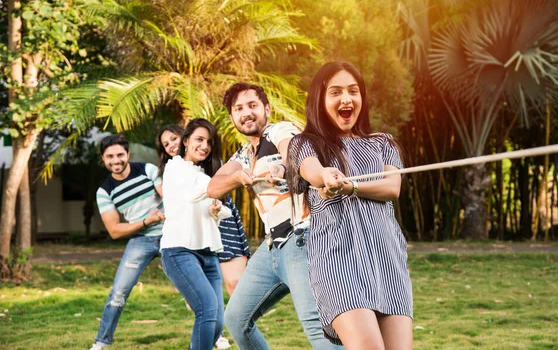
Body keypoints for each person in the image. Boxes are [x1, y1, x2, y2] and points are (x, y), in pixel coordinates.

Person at [286, 61, 413, 350]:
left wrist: (350, 186)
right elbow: (311, 170)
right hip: (337, 260)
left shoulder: (383, 143)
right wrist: (326, 176)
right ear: (320, 99)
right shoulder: (305, 143)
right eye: (335, 92)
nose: (346, 99)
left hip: (387, 258)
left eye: (353, 91)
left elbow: (392, 188)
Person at [206, 82, 343, 350]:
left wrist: (283, 167)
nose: (246, 113)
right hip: (271, 248)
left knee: (318, 328)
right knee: (235, 319)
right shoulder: (245, 155)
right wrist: (236, 176)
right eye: (239, 109)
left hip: (302, 239)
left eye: (252, 105)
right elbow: (213, 187)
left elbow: (295, 152)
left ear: (266, 109)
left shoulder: (279, 130)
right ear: (232, 117)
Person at [156, 124, 251, 349]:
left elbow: (222, 208)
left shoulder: (204, 174)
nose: (205, 146)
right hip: (179, 250)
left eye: (209, 142)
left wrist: (217, 208)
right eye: (199, 140)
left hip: (208, 254)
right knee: (207, 309)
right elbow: (198, 192)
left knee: (217, 322)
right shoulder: (175, 167)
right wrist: (235, 177)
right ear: (186, 141)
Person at [90, 135, 166, 350]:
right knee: (118, 293)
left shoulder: (147, 170)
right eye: (110, 156)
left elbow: (168, 196)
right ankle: (101, 342)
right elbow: (114, 230)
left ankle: (214, 336)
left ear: (128, 155)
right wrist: (145, 221)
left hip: (170, 235)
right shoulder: (104, 191)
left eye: (120, 155)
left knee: (192, 287)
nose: (116, 160)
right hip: (140, 241)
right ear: (103, 159)